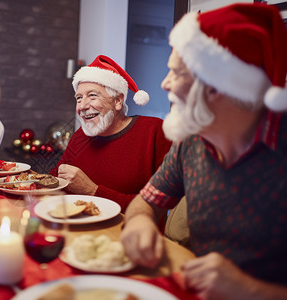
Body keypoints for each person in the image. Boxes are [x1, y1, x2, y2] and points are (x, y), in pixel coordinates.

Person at [120, 3, 287, 299]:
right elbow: (146, 202)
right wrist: (139, 223)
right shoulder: (192, 140)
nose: (164, 83)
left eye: (176, 73)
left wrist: (248, 289)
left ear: (215, 86)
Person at [50, 55, 172, 212]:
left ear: (118, 101)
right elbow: (55, 179)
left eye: (92, 95)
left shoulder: (154, 131)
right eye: (79, 98)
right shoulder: (81, 135)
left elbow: (159, 203)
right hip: (78, 228)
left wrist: (93, 191)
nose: (82, 106)